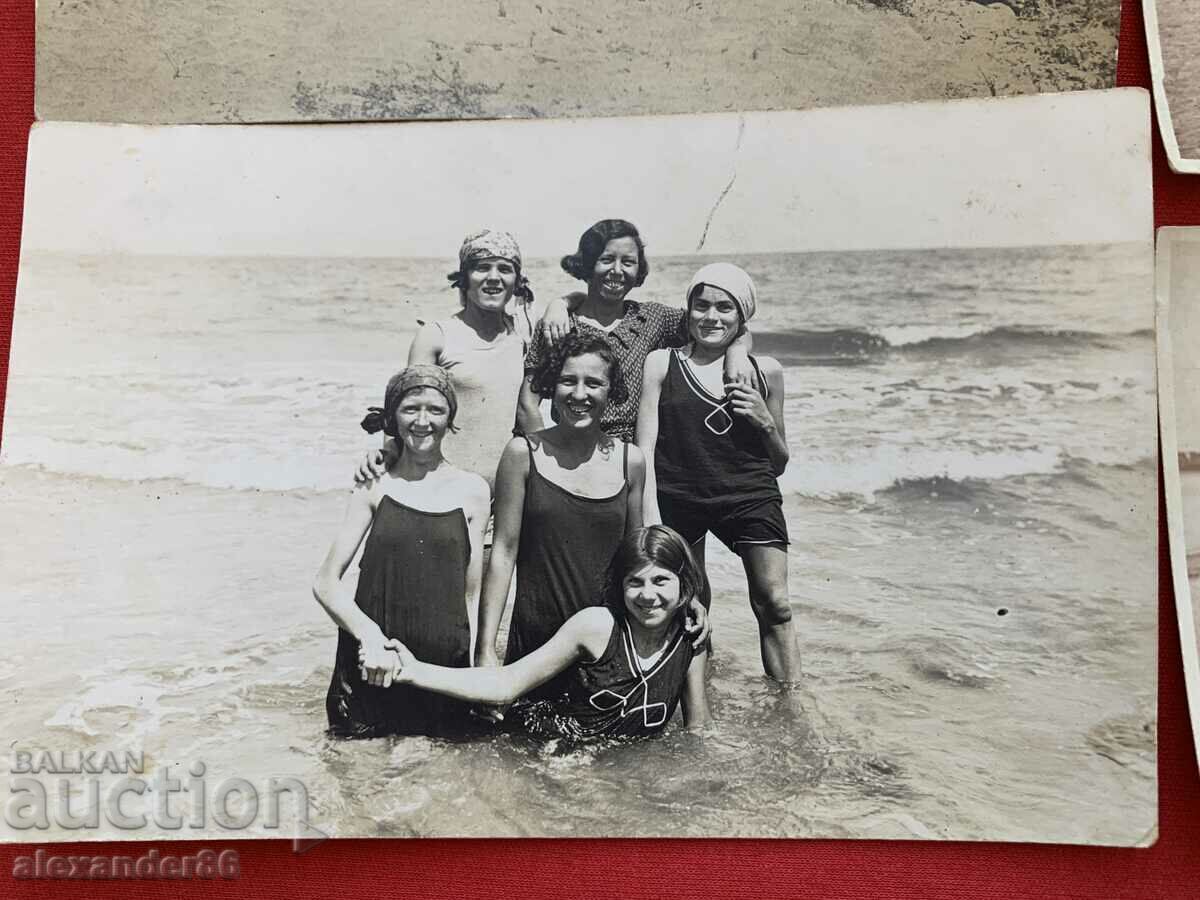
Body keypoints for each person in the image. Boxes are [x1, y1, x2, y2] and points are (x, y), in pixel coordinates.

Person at [377, 525, 712, 739]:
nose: (647, 595)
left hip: (609, 769)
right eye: (635, 582)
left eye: (661, 580)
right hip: (546, 747)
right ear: (621, 587)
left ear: (684, 587)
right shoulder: (597, 626)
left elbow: (698, 727)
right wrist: (414, 671)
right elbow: (507, 684)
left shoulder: (691, 636)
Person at [636, 263, 803, 683]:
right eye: (702, 306)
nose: (712, 317)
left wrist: (764, 420)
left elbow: (779, 462)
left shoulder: (766, 371)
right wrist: (651, 519)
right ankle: (699, 702)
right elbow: (645, 450)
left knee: (774, 603)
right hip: (681, 497)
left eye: (725, 308)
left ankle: (790, 703)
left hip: (749, 494)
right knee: (691, 605)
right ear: (688, 310)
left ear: (742, 316)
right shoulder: (661, 363)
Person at [313, 365, 491, 737]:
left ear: (451, 418)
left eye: (436, 410)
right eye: (411, 408)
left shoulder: (474, 490)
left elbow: (470, 595)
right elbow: (326, 582)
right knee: (360, 788)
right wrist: (370, 637)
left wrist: (476, 677)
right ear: (393, 415)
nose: (422, 421)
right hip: (370, 667)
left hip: (442, 676)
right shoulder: (374, 483)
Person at [474, 331, 647, 697]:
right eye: (568, 381)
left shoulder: (630, 461)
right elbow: (503, 553)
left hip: (606, 644)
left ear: (611, 390)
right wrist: (486, 650)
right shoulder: (523, 453)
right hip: (535, 642)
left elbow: (639, 557)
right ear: (552, 386)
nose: (580, 394)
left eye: (593, 383)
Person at [517, 219, 757, 442]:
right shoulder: (558, 324)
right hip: (572, 448)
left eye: (628, 262)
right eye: (607, 259)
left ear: (638, 269)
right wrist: (547, 458)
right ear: (588, 263)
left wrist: (738, 353)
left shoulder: (655, 319)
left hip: (635, 456)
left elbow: (724, 328)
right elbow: (528, 404)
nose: (618, 270)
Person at [360, 229, 561, 490]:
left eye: (504, 269)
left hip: (511, 496)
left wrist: (559, 304)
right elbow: (408, 410)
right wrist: (385, 454)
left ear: (517, 281)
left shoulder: (526, 333)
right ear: (464, 277)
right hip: (444, 492)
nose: (493, 278)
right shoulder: (436, 336)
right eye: (482, 268)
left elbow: (581, 305)